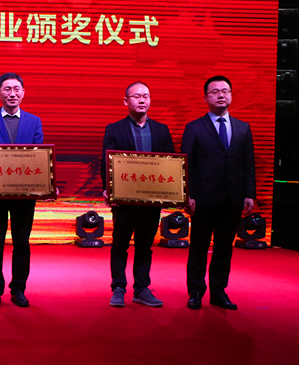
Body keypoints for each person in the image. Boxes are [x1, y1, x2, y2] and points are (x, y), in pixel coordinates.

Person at [181, 75, 255, 310]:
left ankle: (219, 292)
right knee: (199, 247)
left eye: (225, 91)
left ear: (231, 95)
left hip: (232, 198)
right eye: (215, 92)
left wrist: (249, 193)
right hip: (203, 199)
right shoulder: (194, 127)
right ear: (205, 98)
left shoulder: (243, 128)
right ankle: (195, 292)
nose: (221, 95)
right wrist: (188, 195)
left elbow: (248, 163)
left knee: (224, 248)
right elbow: (187, 165)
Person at [100, 82, 175, 308]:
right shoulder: (114, 129)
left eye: (146, 96)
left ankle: (141, 289)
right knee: (120, 244)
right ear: (126, 101)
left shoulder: (162, 130)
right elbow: (106, 161)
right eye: (136, 96)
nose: (142, 100)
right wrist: (108, 189)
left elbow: (171, 163)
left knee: (144, 245)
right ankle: (118, 288)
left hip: (152, 200)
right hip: (124, 200)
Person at [0, 73, 44, 308]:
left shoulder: (34, 121)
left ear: (23, 92)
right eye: (7, 89)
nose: (12, 94)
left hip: (25, 194)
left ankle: (18, 289)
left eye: (16, 89)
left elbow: (38, 156)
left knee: (22, 243)